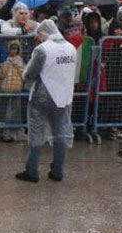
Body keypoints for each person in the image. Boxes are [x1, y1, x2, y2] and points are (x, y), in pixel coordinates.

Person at [16, 20, 77, 182]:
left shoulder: (42, 49)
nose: (37, 38)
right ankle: (58, 171)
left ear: (43, 33)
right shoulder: (71, 48)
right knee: (60, 132)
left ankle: (32, 171)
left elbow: (29, 73)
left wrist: (25, 79)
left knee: (36, 132)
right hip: (63, 97)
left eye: (38, 35)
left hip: (42, 95)